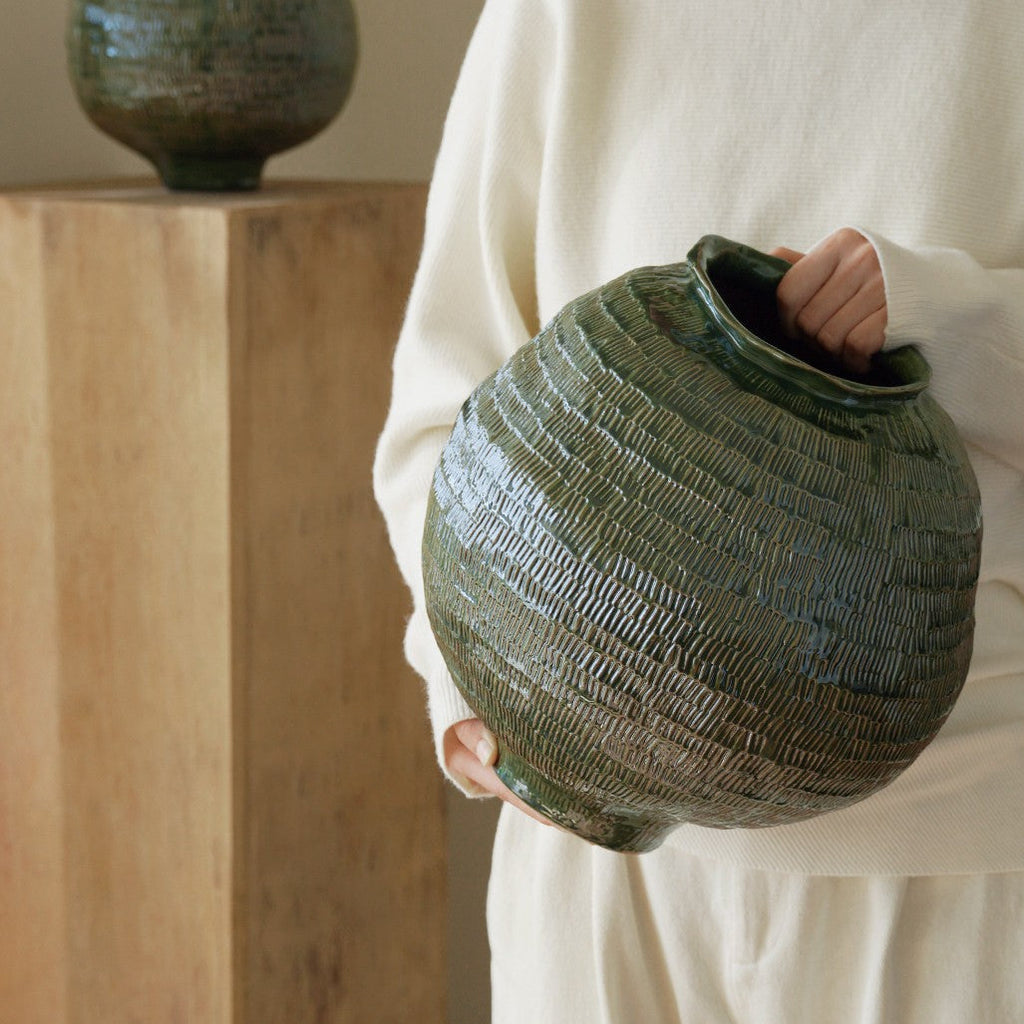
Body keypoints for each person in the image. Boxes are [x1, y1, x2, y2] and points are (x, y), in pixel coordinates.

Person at [374, 2, 1024, 1020]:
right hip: (599, 871)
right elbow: (444, 383)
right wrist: (465, 675)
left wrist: (941, 315)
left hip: (960, 869)